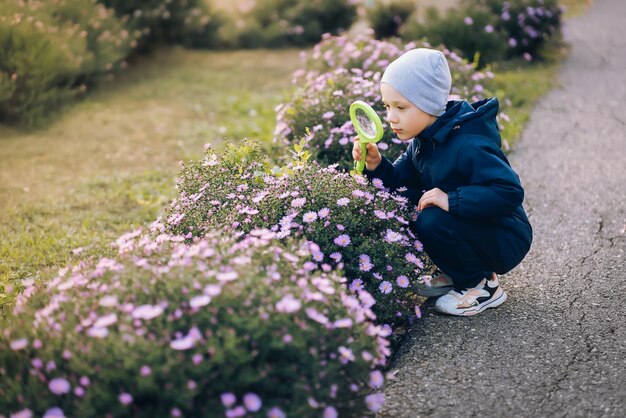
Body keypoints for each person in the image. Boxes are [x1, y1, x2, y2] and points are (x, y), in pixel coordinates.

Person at [353, 48, 532, 316]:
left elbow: (509, 192)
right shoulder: (424, 141)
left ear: (428, 104)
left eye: (401, 107)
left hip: (505, 235)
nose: (391, 117)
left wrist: (451, 200)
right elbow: (401, 185)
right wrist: (376, 165)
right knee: (418, 204)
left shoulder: (469, 144)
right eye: (387, 106)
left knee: (431, 218)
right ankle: (457, 273)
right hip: (476, 227)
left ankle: (483, 284)